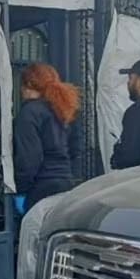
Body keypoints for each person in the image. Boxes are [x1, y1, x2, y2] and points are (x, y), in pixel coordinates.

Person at [13, 63, 81, 212]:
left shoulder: (29, 113)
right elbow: (75, 148)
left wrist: (20, 187)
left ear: (28, 85)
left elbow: (29, 158)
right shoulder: (63, 110)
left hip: (41, 186)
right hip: (65, 182)